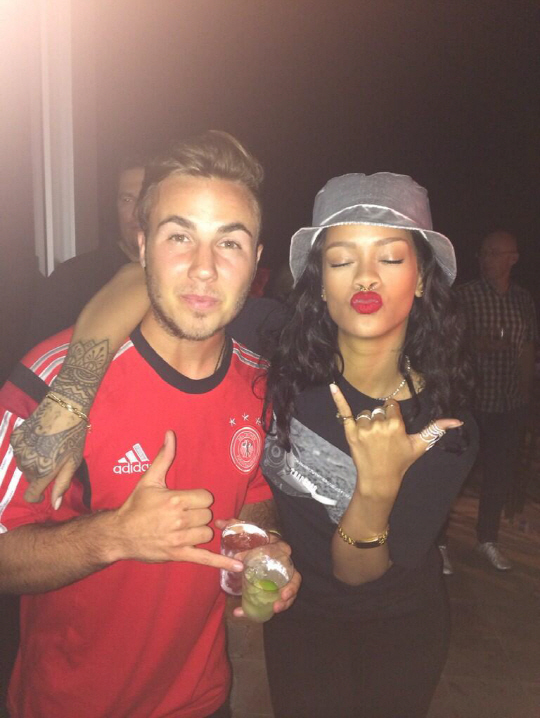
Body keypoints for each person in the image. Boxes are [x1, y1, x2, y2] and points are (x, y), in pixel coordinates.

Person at [13, 171, 477, 718]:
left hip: (393, 628)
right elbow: (150, 279)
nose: (366, 277)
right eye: (341, 260)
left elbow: (359, 575)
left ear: (422, 277)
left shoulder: (442, 427)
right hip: (297, 619)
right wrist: (74, 389)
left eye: (391, 258)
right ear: (320, 280)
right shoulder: (278, 348)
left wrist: (376, 489)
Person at [0, 131, 300, 718]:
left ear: (256, 261)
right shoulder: (54, 380)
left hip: (202, 700)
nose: (204, 269)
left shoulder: (259, 382)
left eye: (230, 243)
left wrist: (262, 551)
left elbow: (252, 493)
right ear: (142, 246)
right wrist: (115, 536)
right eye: (179, 236)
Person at [454, 230, 538, 571]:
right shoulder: (465, 296)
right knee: (455, 473)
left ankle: (487, 539)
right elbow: (447, 343)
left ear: (512, 259)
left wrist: (525, 395)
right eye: (483, 253)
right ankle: (438, 542)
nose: (485, 259)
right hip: (471, 401)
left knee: (498, 476)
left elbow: (527, 346)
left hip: (508, 403)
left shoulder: (522, 300)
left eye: (494, 253)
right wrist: (475, 345)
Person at [24, 155, 146, 348]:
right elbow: (42, 357)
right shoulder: (73, 279)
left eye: (147, 198)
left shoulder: (179, 277)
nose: (137, 211)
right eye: (127, 199)